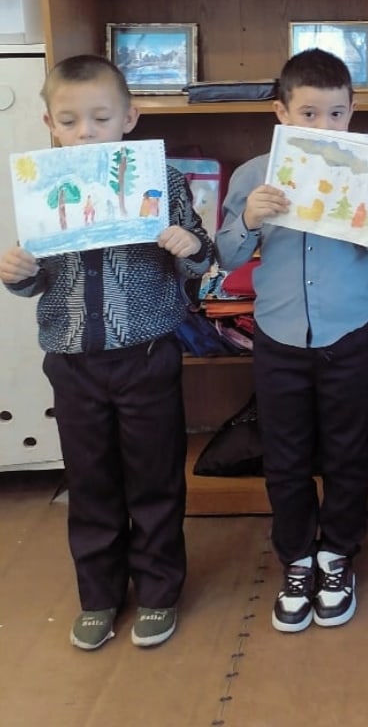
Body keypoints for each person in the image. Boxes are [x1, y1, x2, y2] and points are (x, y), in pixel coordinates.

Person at [0, 55, 214, 651]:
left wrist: (188, 245)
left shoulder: (161, 179)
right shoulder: (44, 184)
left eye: (100, 118)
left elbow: (201, 259)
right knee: (90, 479)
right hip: (72, 361)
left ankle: (160, 589)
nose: (85, 132)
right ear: (49, 123)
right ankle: (98, 594)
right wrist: (17, 272)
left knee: (155, 477)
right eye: (69, 121)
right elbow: (34, 278)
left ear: (129, 118)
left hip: (146, 354)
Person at [216, 49, 368, 633]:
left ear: (351, 111)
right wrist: (249, 220)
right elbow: (225, 256)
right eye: (308, 113)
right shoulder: (252, 176)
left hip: (348, 332)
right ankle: (297, 557)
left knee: (347, 452)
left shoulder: (367, 168)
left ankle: (337, 555)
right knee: (283, 457)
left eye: (336, 113)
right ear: (282, 112)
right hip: (280, 337)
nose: (323, 125)